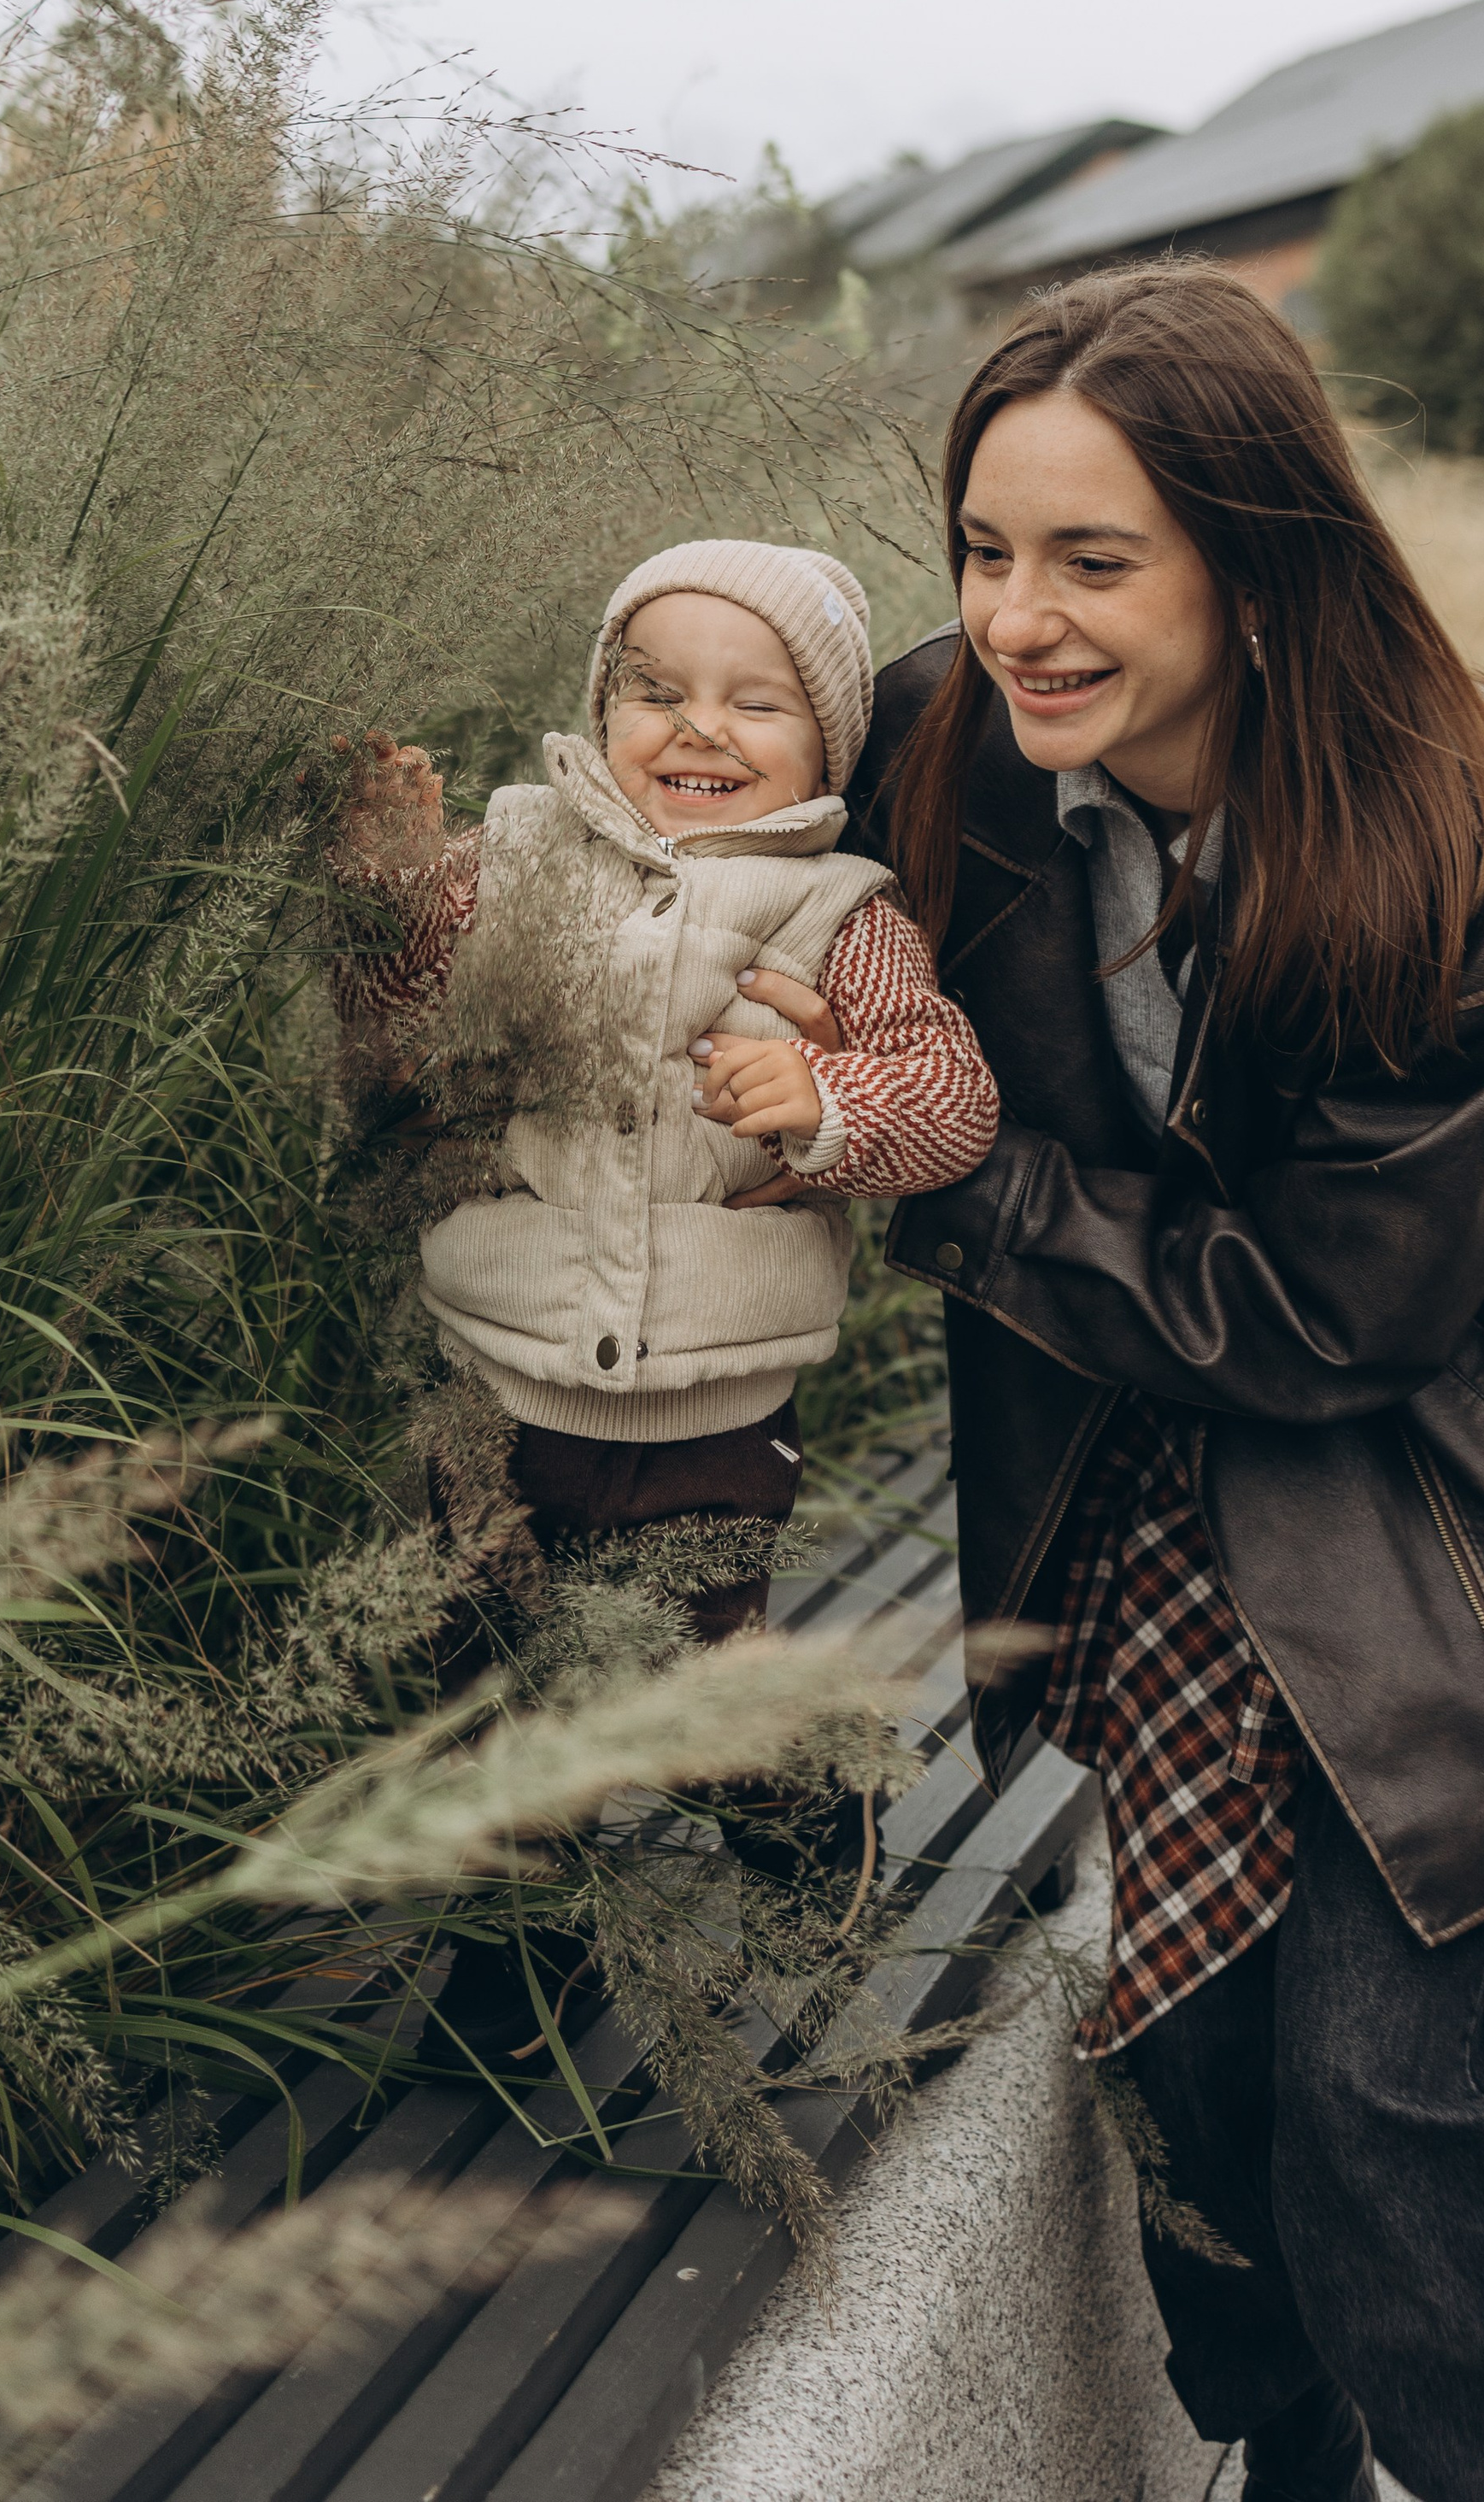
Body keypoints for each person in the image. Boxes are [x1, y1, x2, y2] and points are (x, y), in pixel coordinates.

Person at [815, 270, 1484, 2502]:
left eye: (1094, 561)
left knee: (1381, 2091)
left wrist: (949, 1176)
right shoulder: (945, 744)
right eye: (987, 551)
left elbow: (1329, 1312)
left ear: (1262, 563)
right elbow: (709, 847)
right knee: (1198, 2066)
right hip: (1155, 1485)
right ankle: (1289, 2450)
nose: (1020, 618)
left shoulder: (1462, 838)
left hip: (1458, 1491)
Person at [324, 537, 998, 2051]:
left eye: (755, 706)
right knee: (486, 1688)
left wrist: (824, 1099)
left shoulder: (841, 913)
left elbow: (952, 1103)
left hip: (713, 1401)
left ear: (830, 744)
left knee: (695, 1687)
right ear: (599, 705)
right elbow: (386, 1044)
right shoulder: (502, 865)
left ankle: (798, 1801)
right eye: (657, 692)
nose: (698, 729)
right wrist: (375, 895)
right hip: (495, 1379)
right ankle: (521, 1972)